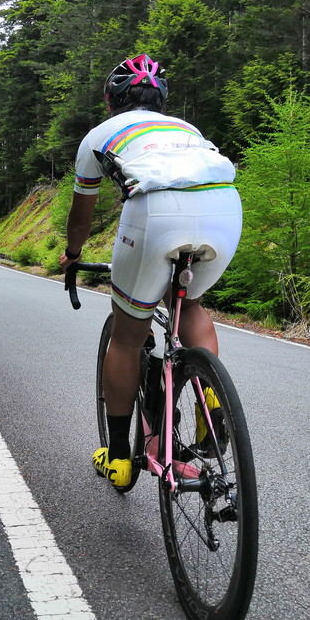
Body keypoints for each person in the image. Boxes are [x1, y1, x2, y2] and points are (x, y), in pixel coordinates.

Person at [59, 54, 242, 488]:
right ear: (160, 102)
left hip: (156, 212)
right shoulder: (187, 129)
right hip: (224, 207)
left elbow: (81, 216)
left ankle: (120, 458)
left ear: (111, 102)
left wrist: (72, 252)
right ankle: (209, 402)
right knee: (191, 303)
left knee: (126, 336)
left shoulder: (98, 136)